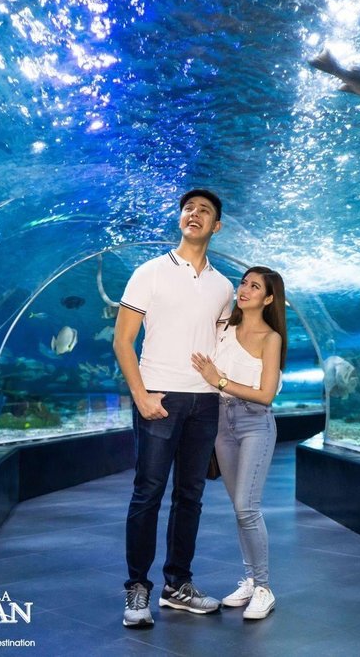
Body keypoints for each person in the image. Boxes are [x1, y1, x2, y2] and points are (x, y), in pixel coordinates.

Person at [114, 189, 234, 628]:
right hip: (159, 396)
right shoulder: (149, 272)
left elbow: (221, 348)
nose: (194, 213)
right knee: (147, 493)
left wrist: (224, 393)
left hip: (204, 403)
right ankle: (137, 588)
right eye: (188, 209)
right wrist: (141, 394)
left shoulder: (224, 287)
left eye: (204, 210)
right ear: (180, 220)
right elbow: (122, 340)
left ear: (216, 226)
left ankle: (177, 584)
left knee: (192, 497)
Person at [191, 266, 287, 621]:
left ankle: (264, 587)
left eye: (255, 286)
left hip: (254, 423)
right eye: (244, 283)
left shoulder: (271, 338)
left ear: (269, 298)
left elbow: (265, 395)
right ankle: (248, 579)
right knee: (239, 508)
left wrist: (220, 379)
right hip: (221, 422)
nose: (244, 289)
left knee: (248, 507)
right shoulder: (224, 328)